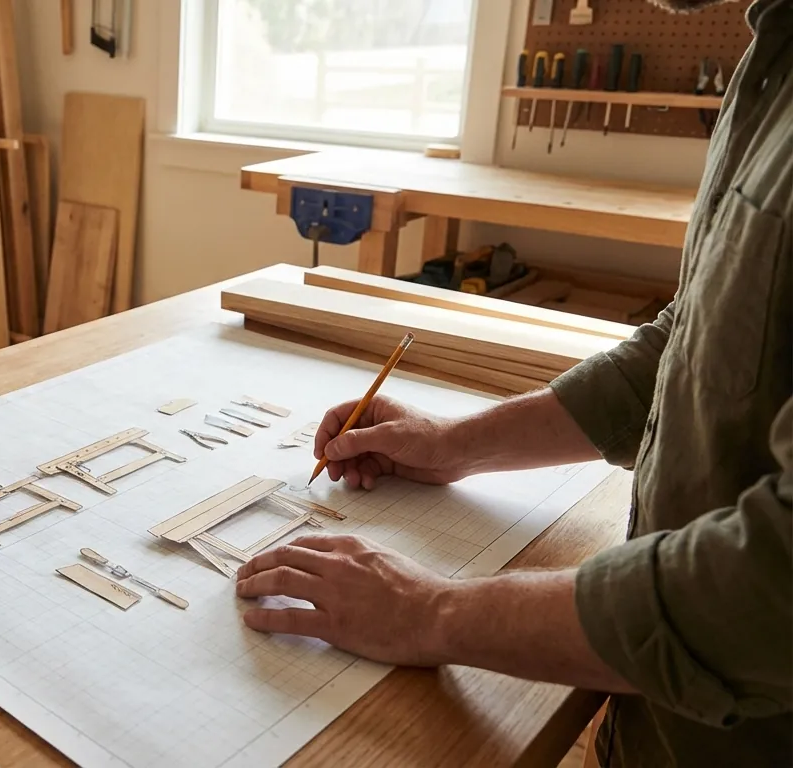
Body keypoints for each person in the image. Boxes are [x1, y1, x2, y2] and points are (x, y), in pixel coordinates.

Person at [233, 1, 792, 765]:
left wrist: (430, 612)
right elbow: (692, 341)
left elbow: (774, 584)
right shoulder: (776, 53)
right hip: (657, 728)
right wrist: (452, 444)